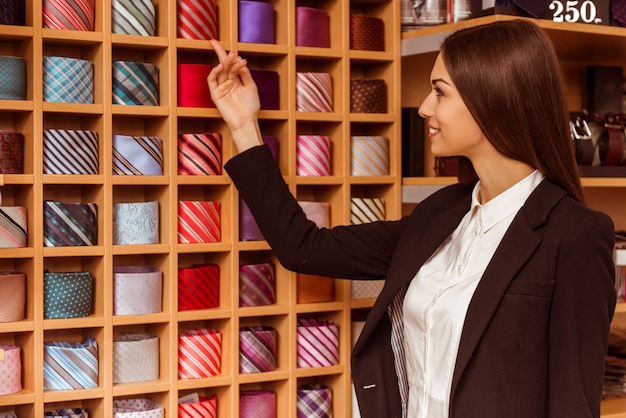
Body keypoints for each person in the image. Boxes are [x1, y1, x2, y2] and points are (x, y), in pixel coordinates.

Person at [207, 19, 616, 418]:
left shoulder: (575, 235)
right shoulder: (440, 214)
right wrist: (245, 126)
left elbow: (573, 403)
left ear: (493, 97)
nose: (423, 108)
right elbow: (304, 249)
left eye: (440, 92)